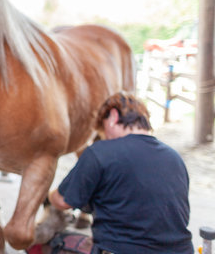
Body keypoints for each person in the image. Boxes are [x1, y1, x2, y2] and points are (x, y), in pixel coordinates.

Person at [48, 92, 193, 254]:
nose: (105, 138)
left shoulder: (100, 152)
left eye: (103, 132)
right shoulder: (174, 157)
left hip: (120, 250)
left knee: (55, 243)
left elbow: (62, 201)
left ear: (113, 116)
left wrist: (49, 195)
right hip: (182, 250)